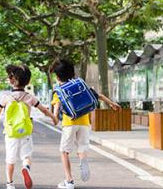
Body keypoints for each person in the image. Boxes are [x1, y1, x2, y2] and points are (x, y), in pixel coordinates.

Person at [50, 59, 121, 189]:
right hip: (84, 122)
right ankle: (82, 159)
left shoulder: (59, 90)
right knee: (82, 148)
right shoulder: (79, 84)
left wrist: (53, 119)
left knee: (64, 151)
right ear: (72, 73)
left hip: (69, 123)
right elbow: (97, 95)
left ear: (57, 76)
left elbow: (55, 114)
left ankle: (69, 181)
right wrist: (112, 103)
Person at [0, 64, 58, 189]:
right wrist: (53, 117)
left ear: (12, 81)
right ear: (27, 81)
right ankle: (25, 167)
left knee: (10, 159)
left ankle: (10, 184)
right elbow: (44, 110)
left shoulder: (6, 97)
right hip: (26, 131)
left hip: (10, 133)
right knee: (26, 156)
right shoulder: (29, 97)